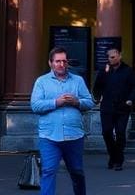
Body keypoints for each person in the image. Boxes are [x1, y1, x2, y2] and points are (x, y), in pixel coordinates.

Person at [31, 47, 95, 195]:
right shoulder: (42, 82)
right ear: (50, 63)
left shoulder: (77, 80)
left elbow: (90, 102)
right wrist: (56, 102)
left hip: (74, 136)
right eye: (57, 61)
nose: (61, 64)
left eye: (64, 61)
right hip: (49, 136)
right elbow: (35, 105)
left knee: (77, 172)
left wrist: (77, 102)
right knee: (48, 171)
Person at [92, 47, 135, 170]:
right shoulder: (104, 71)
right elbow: (97, 87)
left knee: (120, 133)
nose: (110, 59)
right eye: (108, 57)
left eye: (113, 57)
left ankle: (118, 160)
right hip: (107, 107)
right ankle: (113, 156)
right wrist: (97, 98)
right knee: (106, 132)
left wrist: (130, 99)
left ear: (119, 56)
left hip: (123, 107)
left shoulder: (128, 71)